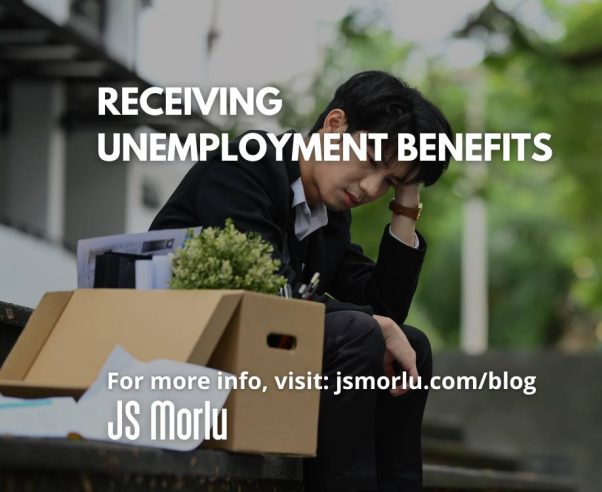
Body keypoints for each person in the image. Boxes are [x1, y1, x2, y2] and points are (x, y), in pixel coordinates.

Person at [150, 70, 452, 491]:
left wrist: (407, 202)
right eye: (371, 163)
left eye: (390, 182)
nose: (369, 188)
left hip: (256, 359)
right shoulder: (245, 166)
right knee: (358, 332)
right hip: (172, 351)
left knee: (411, 343)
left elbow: (385, 307)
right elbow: (267, 292)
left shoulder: (327, 212)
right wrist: (373, 325)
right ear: (334, 125)